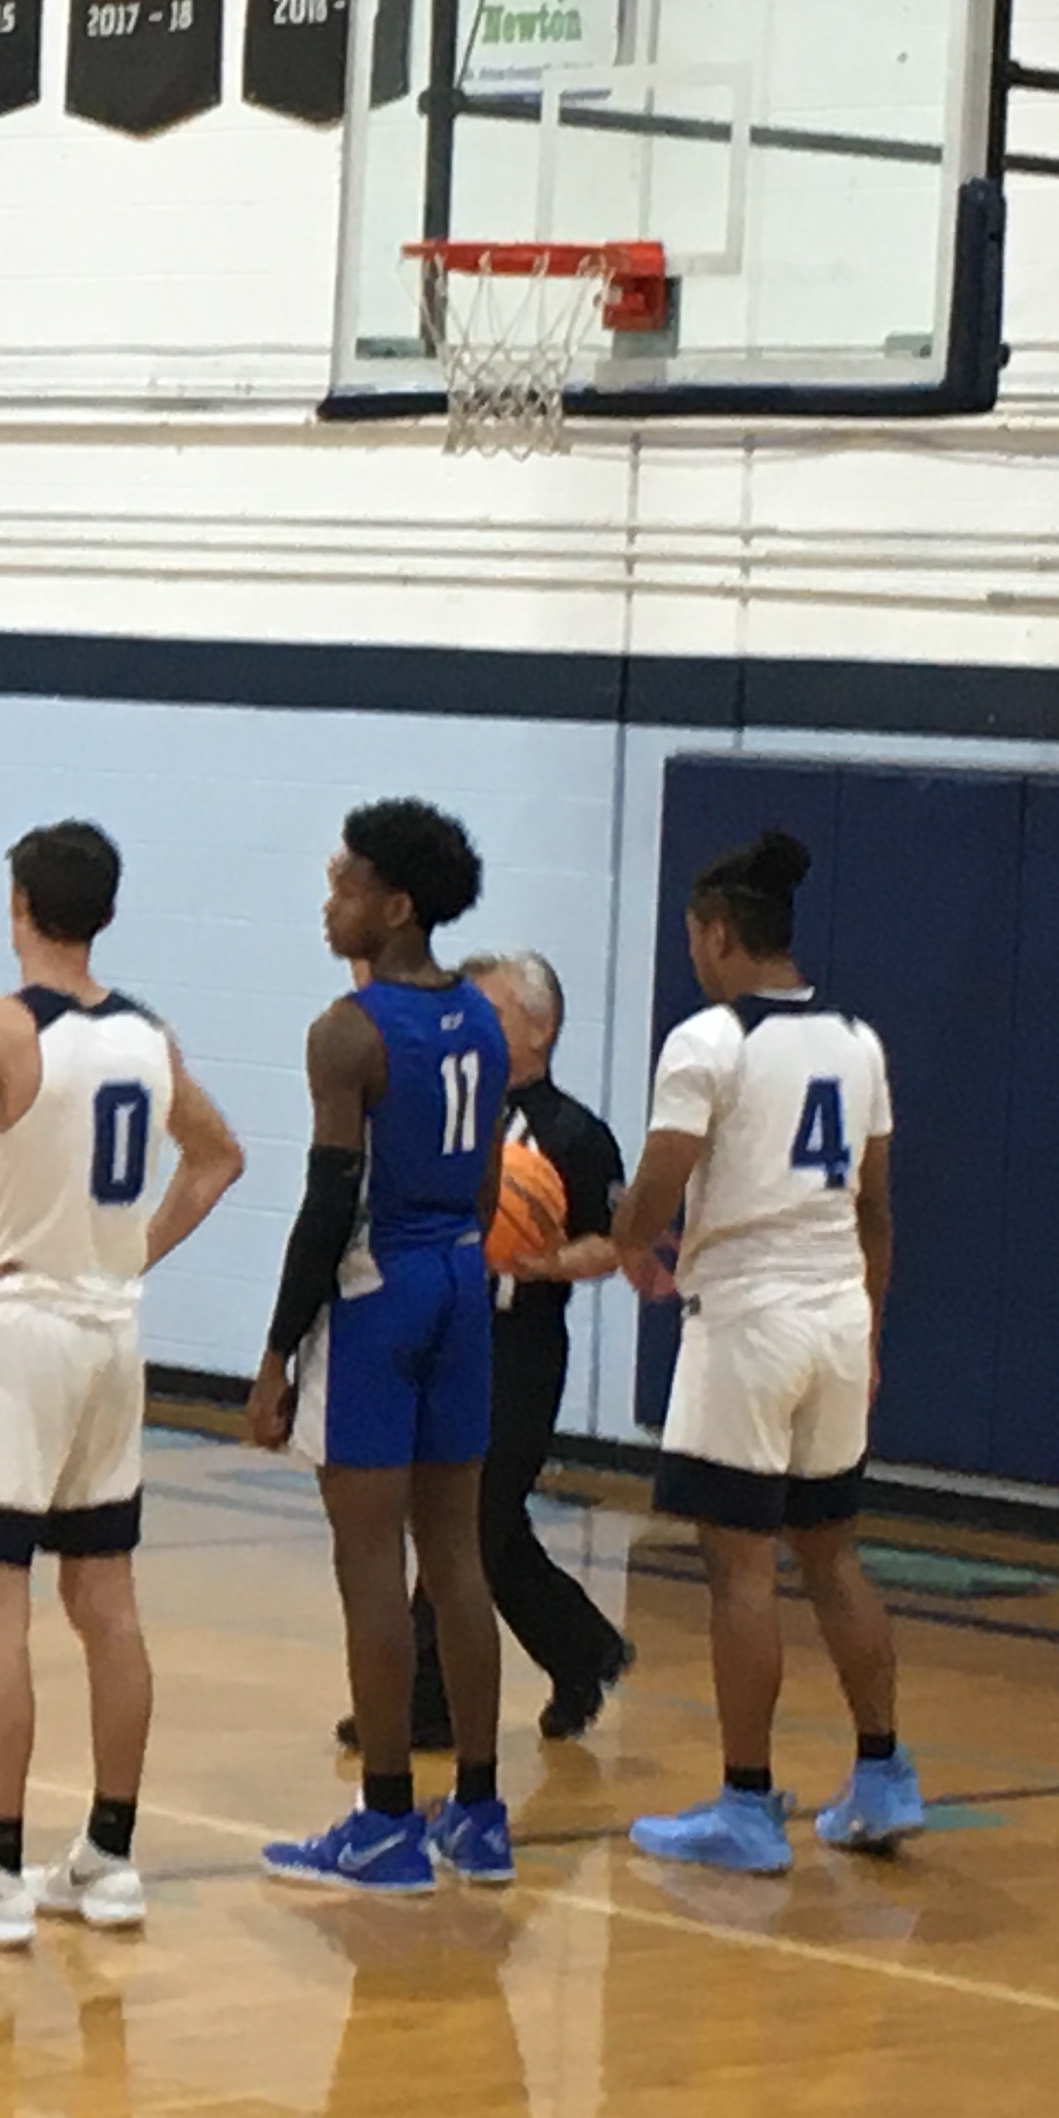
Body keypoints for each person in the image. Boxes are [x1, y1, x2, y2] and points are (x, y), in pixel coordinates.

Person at [0, 823, 244, 1945]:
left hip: (22, 1335)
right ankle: (109, 1862)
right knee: (106, 1604)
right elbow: (219, 1159)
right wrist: (130, 1257)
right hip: (113, 1336)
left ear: (19, 903)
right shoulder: (149, 1036)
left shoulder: (0, 1028)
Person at [606, 829, 920, 1873]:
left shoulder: (709, 1041)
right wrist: (869, 1330)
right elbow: (875, 1211)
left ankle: (745, 1806)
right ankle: (882, 1776)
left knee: (740, 1567)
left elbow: (660, 1183)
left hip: (747, 1321)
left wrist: (626, 1238)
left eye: (693, 936)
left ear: (717, 934)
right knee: (831, 1552)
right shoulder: (858, 1042)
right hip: (836, 1317)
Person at [249, 800, 513, 1895]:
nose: (329, 903)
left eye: (346, 885)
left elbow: (327, 1203)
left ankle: (387, 1821)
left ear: (396, 906)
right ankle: (480, 1814)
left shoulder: (348, 1032)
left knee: (369, 1563)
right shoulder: (485, 1018)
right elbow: (489, 1183)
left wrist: (278, 1354)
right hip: (460, 1276)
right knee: (457, 1557)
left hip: (378, 1291)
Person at [337, 946, 633, 1753]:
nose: (472, 1024)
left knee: (467, 1524)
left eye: (491, 1011)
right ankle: (582, 1649)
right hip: (443, 1331)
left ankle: (425, 1700)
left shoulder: (575, 1134)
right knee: (476, 1525)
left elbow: (614, 1245)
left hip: (519, 1347)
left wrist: (544, 1262)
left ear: (538, 1028)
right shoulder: (451, 1110)